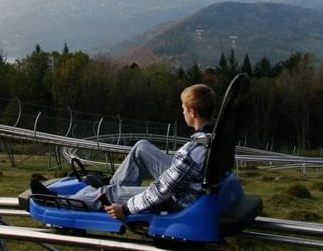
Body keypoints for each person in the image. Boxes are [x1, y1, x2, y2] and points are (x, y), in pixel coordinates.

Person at [31, 83, 216, 220]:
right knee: (141, 147)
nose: (182, 112)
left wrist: (126, 209)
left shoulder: (191, 151)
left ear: (193, 112)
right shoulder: (212, 138)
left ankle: (58, 201)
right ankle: (114, 185)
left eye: (184, 109)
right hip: (192, 185)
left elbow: (161, 192)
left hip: (180, 199)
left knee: (107, 193)